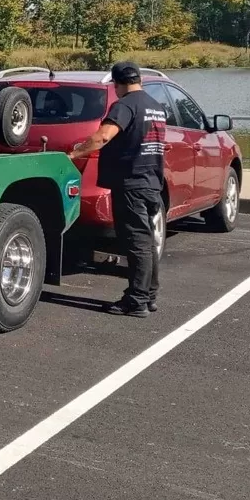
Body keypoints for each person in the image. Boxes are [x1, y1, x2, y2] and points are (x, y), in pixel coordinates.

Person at [69, 62, 167, 317]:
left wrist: (75, 153)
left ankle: (136, 300)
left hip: (132, 183)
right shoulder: (156, 107)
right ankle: (149, 295)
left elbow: (103, 136)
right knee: (146, 241)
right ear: (139, 80)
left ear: (117, 83)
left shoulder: (125, 106)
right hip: (152, 182)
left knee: (136, 243)